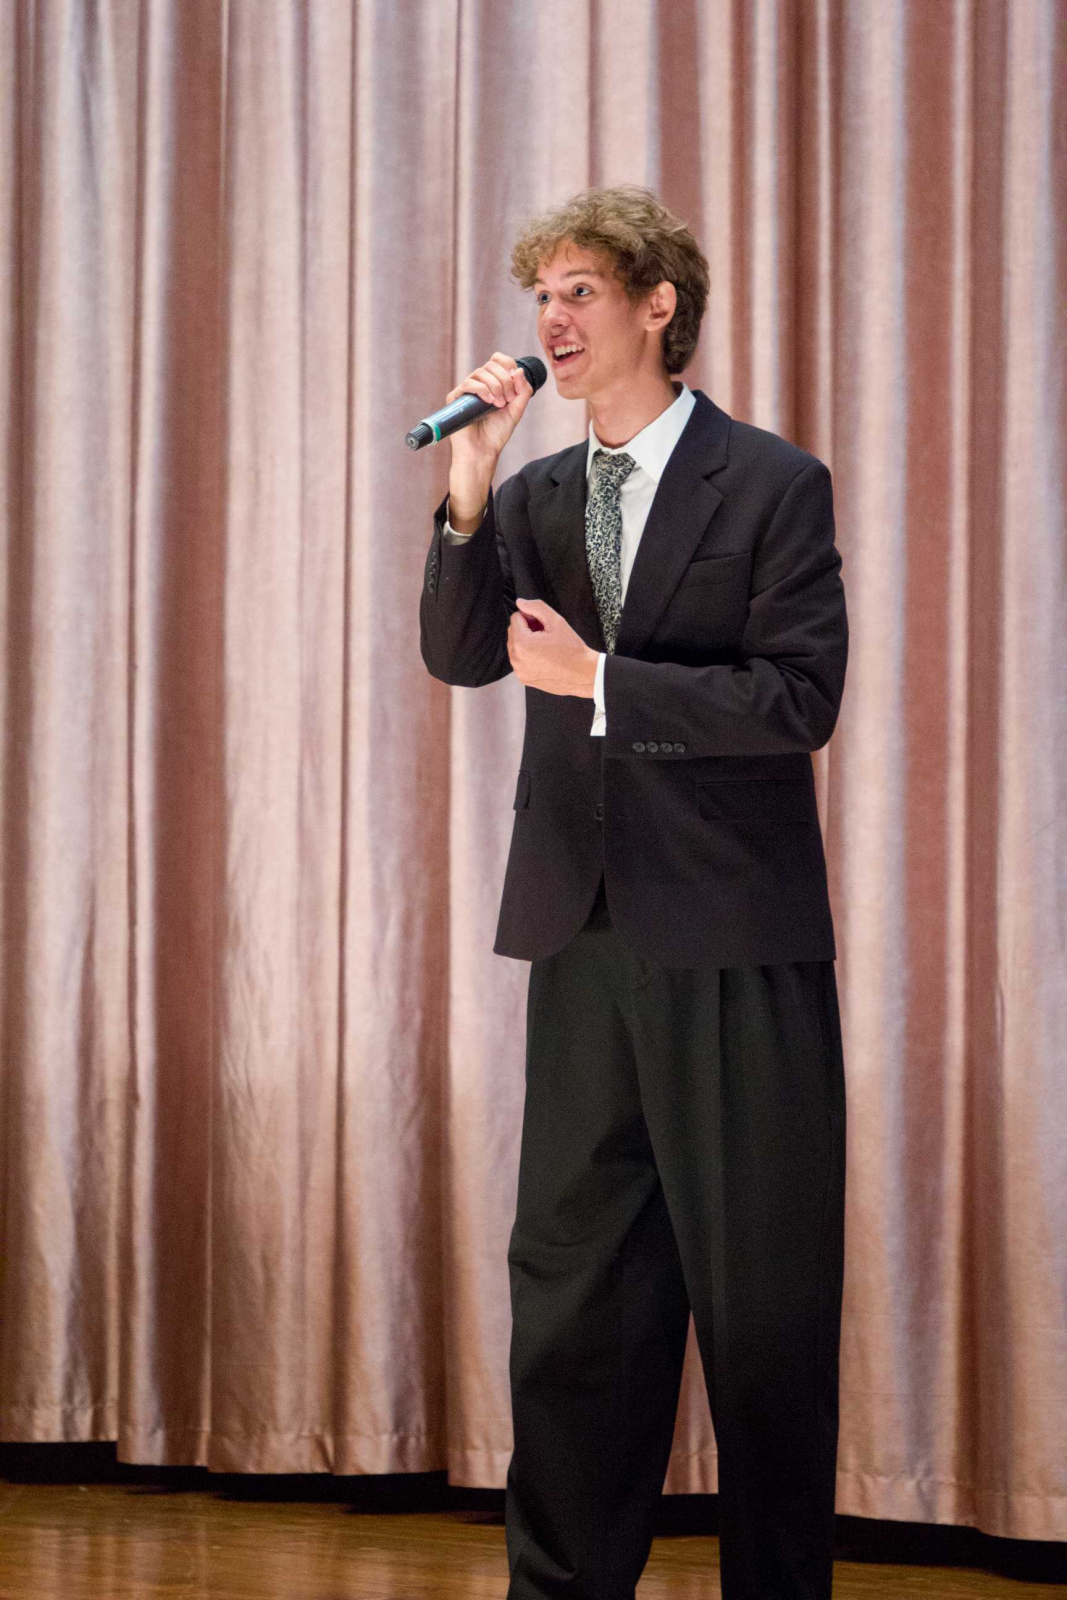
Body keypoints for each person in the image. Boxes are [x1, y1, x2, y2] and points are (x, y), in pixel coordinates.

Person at [419, 185, 848, 1600]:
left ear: (660, 305)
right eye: (541, 296)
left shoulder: (770, 482)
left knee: (763, 1306)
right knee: (574, 1293)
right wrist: (471, 483)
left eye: (581, 291)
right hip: (582, 931)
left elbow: (799, 700)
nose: (551, 319)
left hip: (734, 940)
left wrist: (603, 682)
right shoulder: (537, 495)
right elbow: (460, 654)